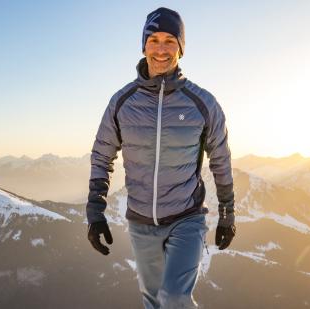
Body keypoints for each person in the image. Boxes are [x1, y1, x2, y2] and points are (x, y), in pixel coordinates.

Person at [86, 7, 236, 309]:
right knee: (153, 301)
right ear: (144, 46)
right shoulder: (122, 102)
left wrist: (227, 213)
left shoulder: (202, 103)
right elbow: (102, 155)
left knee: (175, 298)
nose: (161, 49)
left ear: (181, 47)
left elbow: (220, 159)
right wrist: (95, 212)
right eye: (154, 40)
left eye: (170, 40)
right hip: (141, 222)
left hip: (186, 217)